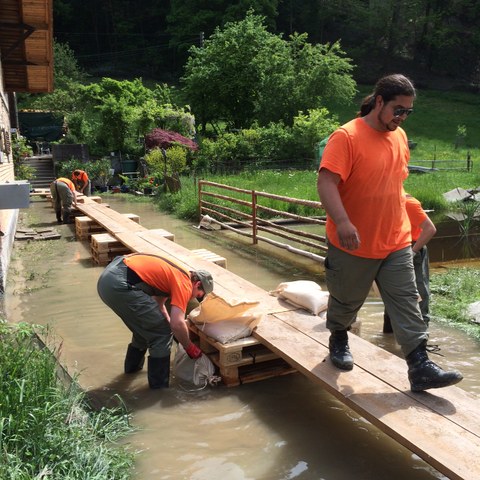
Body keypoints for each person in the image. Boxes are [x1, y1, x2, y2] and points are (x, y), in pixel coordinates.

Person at [317, 73, 462, 392]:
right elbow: (326, 182)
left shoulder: (399, 137)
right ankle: (339, 338)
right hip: (352, 243)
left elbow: (394, 183)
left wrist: (412, 220)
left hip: (394, 240)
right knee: (345, 301)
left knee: (408, 301)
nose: (402, 117)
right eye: (398, 109)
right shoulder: (347, 136)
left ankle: (419, 366)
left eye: (408, 111)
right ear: (379, 101)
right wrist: (342, 222)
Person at [97, 253, 214, 389]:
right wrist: (189, 347)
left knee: (144, 331)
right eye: (198, 295)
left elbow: (159, 306)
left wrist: (173, 330)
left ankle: (130, 374)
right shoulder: (185, 283)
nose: (193, 298)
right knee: (161, 334)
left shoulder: (176, 274)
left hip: (108, 279)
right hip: (120, 283)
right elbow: (177, 323)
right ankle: (159, 392)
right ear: (197, 284)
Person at [383, 193, 436, 332]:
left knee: (419, 291)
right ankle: (388, 334)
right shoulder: (386, 202)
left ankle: (422, 336)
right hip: (395, 248)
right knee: (391, 290)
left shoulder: (409, 203)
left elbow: (430, 229)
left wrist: (412, 252)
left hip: (414, 248)